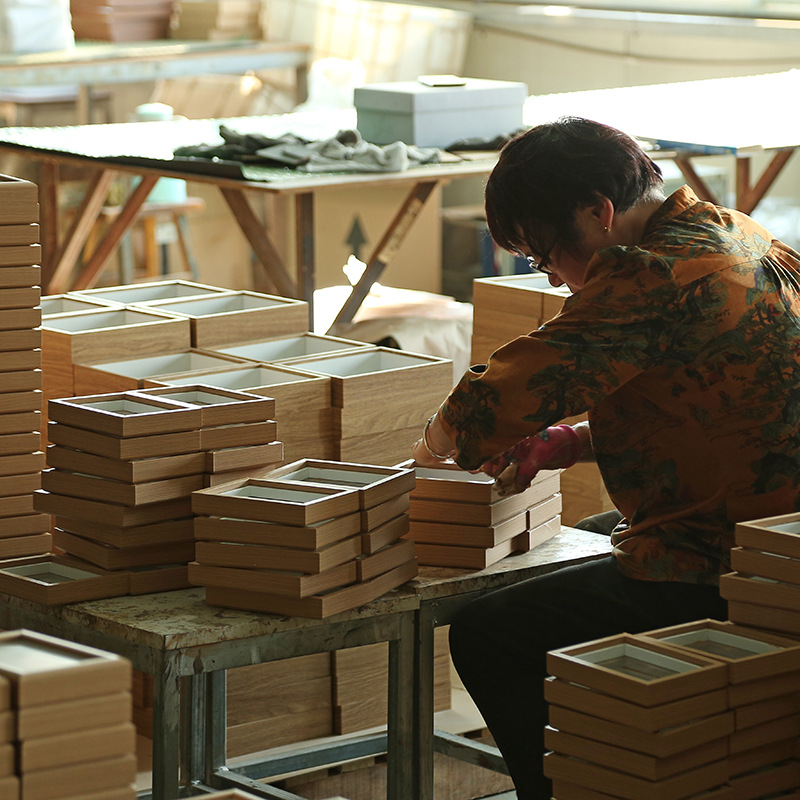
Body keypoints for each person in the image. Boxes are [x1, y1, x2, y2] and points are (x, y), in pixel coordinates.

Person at [410, 116, 800, 799]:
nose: (557, 279)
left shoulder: (654, 272)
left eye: (546, 254)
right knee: (585, 541)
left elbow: (506, 392)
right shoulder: (734, 232)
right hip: (777, 528)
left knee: (489, 634)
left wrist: (426, 453)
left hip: (734, 559)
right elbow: (713, 407)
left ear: (598, 211)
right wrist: (573, 441)